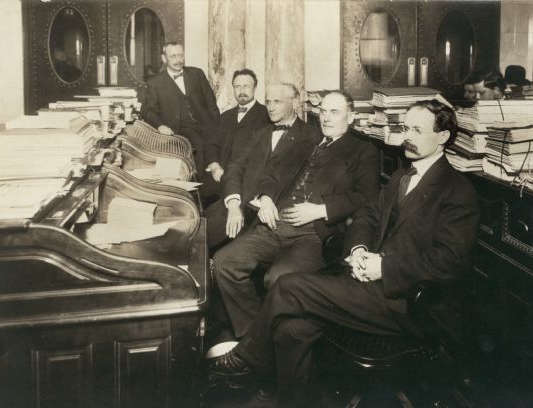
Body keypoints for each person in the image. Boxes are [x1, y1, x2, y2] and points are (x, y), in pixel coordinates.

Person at [209, 99, 480, 408]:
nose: (406, 136)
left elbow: (449, 262)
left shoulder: (458, 191)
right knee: (290, 329)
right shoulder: (399, 176)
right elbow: (367, 216)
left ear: (443, 137)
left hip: (409, 302)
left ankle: (245, 360)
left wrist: (385, 266)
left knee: (289, 285)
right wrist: (359, 248)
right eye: (404, 127)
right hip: (370, 286)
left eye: (417, 130)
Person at [212, 90, 381, 341]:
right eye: (323, 111)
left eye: (334, 112)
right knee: (224, 262)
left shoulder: (363, 151)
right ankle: (254, 339)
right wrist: (267, 198)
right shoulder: (306, 140)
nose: (326, 118)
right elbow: (272, 174)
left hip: (313, 235)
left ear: (351, 116)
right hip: (274, 224)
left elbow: (367, 197)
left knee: (278, 278)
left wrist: (320, 210)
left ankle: (264, 344)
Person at [141, 41, 221, 204]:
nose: (178, 60)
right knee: (196, 149)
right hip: (179, 131)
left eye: (180, 55)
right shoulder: (155, 82)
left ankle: (218, 199)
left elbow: (211, 103)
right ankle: (197, 202)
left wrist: (216, 125)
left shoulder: (196, 74)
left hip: (206, 126)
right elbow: (147, 110)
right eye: (173, 56)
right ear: (164, 59)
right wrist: (160, 125)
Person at [204, 69, 271, 249]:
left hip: (244, 184)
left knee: (212, 225)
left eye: (246, 86)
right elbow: (210, 144)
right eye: (237, 86)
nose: (241, 90)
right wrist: (214, 165)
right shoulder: (225, 116)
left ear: (255, 88)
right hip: (218, 179)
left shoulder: (267, 116)